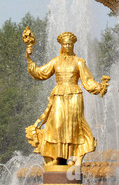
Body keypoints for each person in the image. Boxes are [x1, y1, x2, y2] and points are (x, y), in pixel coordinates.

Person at [25, 31, 109, 166]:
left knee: (73, 126)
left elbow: (88, 81)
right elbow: (40, 73)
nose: (68, 46)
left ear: (73, 46)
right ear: (62, 45)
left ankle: (74, 158)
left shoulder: (79, 62)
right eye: (66, 44)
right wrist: (29, 57)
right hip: (58, 95)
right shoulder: (56, 61)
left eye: (70, 44)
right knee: (56, 125)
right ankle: (57, 157)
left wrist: (100, 87)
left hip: (74, 95)